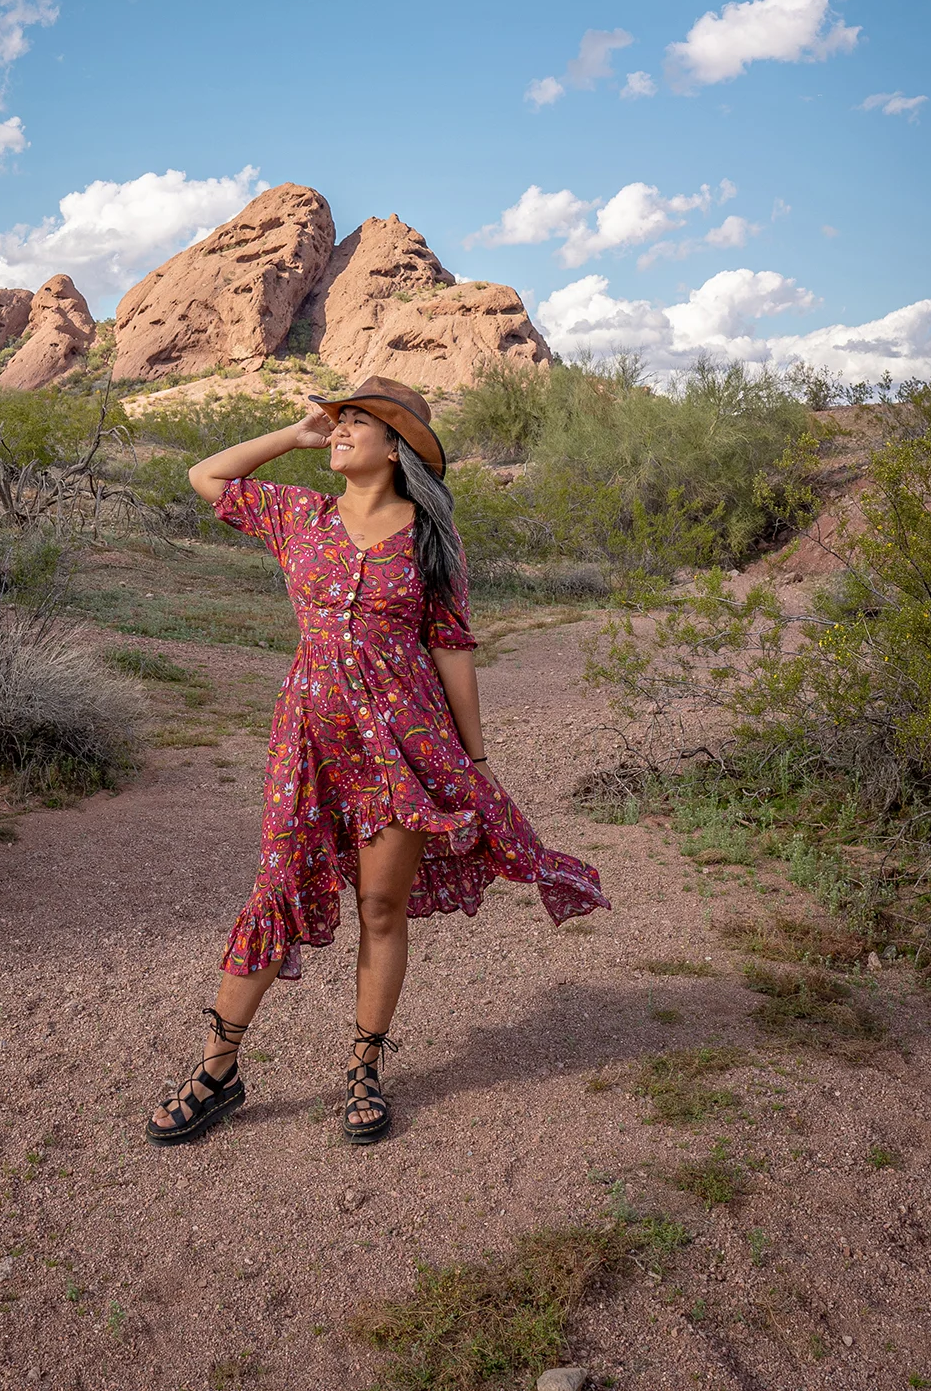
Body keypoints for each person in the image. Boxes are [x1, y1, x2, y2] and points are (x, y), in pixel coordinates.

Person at [146, 376, 609, 1148]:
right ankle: (216, 1071)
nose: (338, 430)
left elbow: (453, 649)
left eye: (356, 422)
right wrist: (293, 436)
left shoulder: (431, 539)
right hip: (310, 743)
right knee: (276, 889)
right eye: (338, 420)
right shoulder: (301, 515)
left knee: (381, 909)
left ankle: (365, 1069)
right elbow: (209, 477)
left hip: (404, 745)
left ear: (397, 447)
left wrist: (476, 758)